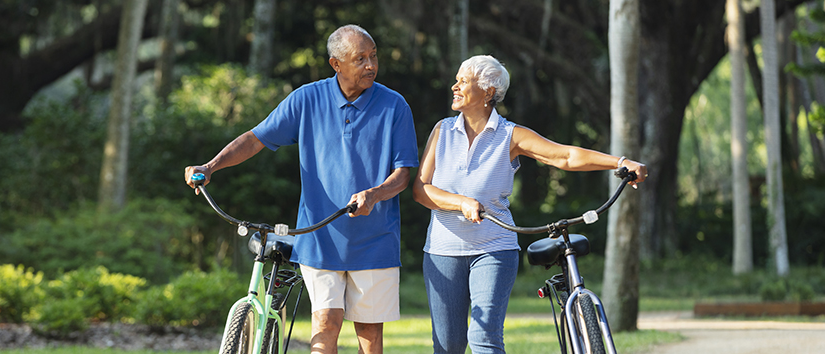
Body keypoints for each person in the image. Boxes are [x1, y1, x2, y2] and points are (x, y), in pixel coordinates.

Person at [185, 25, 418, 354]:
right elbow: (255, 138)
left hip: (375, 239)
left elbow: (404, 173)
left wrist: (376, 193)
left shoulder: (395, 106)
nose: (371, 65)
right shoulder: (307, 99)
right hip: (319, 237)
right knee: (325, 325)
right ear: (336, 64)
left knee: (369, 335)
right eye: (361, 59)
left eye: (374, 56)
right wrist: (210, 166)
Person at [412, 55, 647, 354]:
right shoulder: (442, 131)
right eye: (456, 80)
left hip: (494, 248)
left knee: (483, 339)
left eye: (463, 81)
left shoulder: (510, 135)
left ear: (487, 92)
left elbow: (564, 156)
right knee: (448, 346)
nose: (454, 86)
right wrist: (461, 202)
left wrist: (621, 162)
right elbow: (421, 190)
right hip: (441, 251)